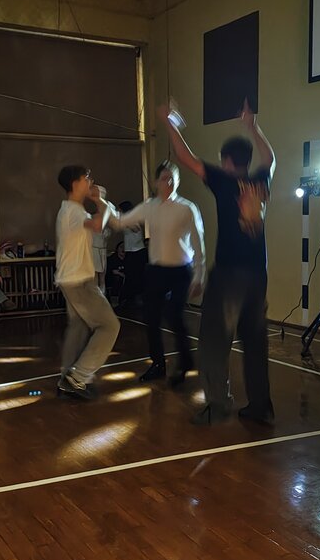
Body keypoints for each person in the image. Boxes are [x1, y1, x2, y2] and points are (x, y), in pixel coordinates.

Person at [158, 99, 276, 425]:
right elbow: (271, 158)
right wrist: (253, 127)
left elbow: (185, 158)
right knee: (255, 341)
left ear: (226, 161)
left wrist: (168, 123)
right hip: (258, 275)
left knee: (213, 340)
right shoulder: (261, 180)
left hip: (228, 275)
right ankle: (260, 407)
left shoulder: (224, 181)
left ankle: (217, 405)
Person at [102, 162, 205, 386]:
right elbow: (120, 222)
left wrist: (199, 275)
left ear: (178, 181)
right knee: (151, 318)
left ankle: (185, 361)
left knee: (174, 314)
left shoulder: (187, 208)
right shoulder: (149, 206)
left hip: (181, 271)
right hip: (157, 270)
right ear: (157, 182)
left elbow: (199, 242)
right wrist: (102, 203)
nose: (169, 182)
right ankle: (158, 364)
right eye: (165, 178)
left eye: (173, 178)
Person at [55, 165, 119, 400]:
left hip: (70, 279)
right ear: (75, 184)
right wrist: (101, 201)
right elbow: (99, 224)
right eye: (86, 178)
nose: (90, 181)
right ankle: (77, 377)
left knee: (79, 327)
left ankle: (67, 378)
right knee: (110, 326)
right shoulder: (73, 211)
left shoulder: (71, 210)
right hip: (79, 281)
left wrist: (100, 203)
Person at [118, 201, 147, 304]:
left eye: (120, 210)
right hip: (130, 251)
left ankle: (137, 299)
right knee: (129, 276)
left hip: (137, 252)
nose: (119, 212)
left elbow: (136, 229)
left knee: (136, 276)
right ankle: (129, 299)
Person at [91, 186, 111, 294]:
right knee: (94, 278)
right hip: (94, 249)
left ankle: (102, 298)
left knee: (102, 278)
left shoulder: (106, 214)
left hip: (102, 249)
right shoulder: (92, 217)